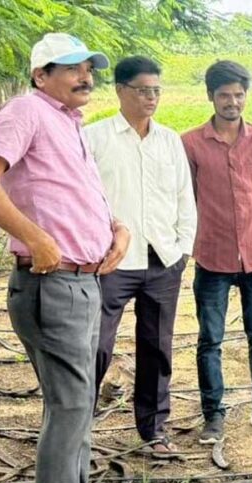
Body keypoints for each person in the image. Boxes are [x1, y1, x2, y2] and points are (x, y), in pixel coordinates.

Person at [0, 33, 133, 483]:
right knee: (68, 411)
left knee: (79, 406)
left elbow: (67, 192)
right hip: (51, 286)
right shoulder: (26, 111)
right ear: (41, 74)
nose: (86, 76)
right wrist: (35, 238)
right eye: (72, 69)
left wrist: (115, 229)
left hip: (82, 283)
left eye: (90, 68)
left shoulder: (66, 121)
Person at [85, 56, 196, 454]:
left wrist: (182, 249)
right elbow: (83, 200)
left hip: (163, 261)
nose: (151, 98)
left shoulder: (169, 140)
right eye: (142, 90)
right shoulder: (95, 138)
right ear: (119, 90)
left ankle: (154, 431)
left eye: (156, 91)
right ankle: (78, 427)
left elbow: (185, 197)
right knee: (95, 345)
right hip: (111, 263)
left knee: (157, 348)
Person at [181, 60, 252, 444]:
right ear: (210, 96)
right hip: (212, 256)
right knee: (210, 339)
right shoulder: (190, 143)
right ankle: (214, 416)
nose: (232, 102)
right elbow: (187, 197)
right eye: (224, 95)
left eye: (239, 95)